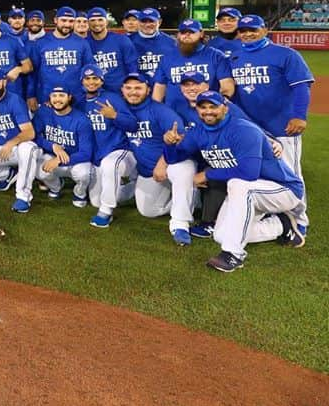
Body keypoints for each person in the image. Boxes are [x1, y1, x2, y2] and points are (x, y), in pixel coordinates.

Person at [163, 91, 305, 273]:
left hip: (282, 189)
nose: (208, 111)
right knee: (221, 235)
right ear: (197, 109)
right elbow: (175, 158)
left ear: (225, 107)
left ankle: (233, 255)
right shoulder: (198, 131)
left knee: (237, 184)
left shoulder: (243, 130)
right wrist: (169, 144)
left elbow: (249, 173)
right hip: (249, 192)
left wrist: (207, 175)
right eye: (203, 107)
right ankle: (281, 225)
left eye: (213, 106)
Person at [229, 13, 314, 231]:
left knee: (291, 174)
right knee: (261, 172)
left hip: (282, 126)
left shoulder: (285, 54)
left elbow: (301, 87)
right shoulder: (235, 58)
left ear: (265, 30)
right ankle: (271, 212)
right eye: (243, 30)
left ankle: (299, 219)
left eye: (253, 30)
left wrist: (299, 116)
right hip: (253, 129)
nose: (247, 34)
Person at [112, 72, 198, 245]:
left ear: (148, 89)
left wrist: (163, 161)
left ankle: (180, 224)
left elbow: (180, 139)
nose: (133, 92)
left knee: (183, 170)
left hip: (172, 162)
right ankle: (192, 197)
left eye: (138, 88)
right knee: (148, 211)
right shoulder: (122, 111)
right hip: (149, 171)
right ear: (122, 90)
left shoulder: (161, 111)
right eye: (128, 88)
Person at [11, 85, 94, 213]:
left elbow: (86, 153)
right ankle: (56, 187)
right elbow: (33, 136)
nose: (57, 99)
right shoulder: (43, 112)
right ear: (49, 98)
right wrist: (52, 146)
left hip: (75, 159)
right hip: (52, 156)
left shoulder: (82, 120)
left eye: (61, 96)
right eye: (54, 96)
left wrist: (59, 160)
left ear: (69, 97)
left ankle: (80, 193)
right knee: (40, 170)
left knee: (84, 173)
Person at [79, 66, 137, 228]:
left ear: (102, 81)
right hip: (97, 155)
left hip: (119, 150)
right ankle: (135, 189)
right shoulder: (79, 102)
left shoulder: (113, 98)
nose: (91, 82)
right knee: (96, 200)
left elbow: (133, 125)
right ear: (81, 81)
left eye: (95, 78)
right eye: (87, 79)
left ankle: (105, 213)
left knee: (109, 165)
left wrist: (115, 115)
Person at [26, 6, 94, 110]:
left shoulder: (82, 43)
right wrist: (31, 95)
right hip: (47, 97)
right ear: (56, 20)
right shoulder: (40, 43)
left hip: (76, 97)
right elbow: (32, 72)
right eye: (63, 20)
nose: (67, 24)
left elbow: (89, 70)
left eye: (71, 21)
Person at [151, 19, 234, 104]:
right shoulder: (167, 57)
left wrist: (223, 100)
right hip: (174, 112)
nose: (187, 35)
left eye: (191, 32)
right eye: (183, 32)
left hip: (206, 111)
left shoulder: (216, 56)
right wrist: (155, 110)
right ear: (178, 35)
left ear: (201, 34)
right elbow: (159, 88)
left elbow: (226, 84)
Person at [85, 6, 138, 94]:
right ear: (88, 23)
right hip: (96, 92)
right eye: (92, 20)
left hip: (120, 92)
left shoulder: (121, 40)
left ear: (106, 22)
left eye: (100, 19)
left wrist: (130, 89)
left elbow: (132, 66)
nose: (96, 23)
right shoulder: (85, 43)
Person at [129, 8, 176, 80]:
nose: (147, 25)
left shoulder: (171, 42)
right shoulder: (127, 41)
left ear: (159, 22)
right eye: (143, 21)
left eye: (151, 21)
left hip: (163, 86)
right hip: (137, 87)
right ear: (138, 22)